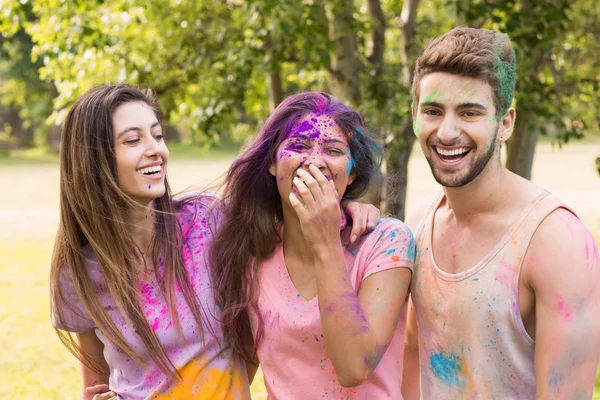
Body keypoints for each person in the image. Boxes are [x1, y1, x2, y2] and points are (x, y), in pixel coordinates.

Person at [50, 84, 379, 400]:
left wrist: (342, 203)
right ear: (93, 160)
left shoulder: (207, 222)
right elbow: (96, 385)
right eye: (133, 140)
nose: (156, 150)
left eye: (158, 135)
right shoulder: (78, 271)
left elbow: (285, 227)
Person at [401, 27, 600, 399]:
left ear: (505, 123)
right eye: (432, 111)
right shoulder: (416, 225)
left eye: (469, 112)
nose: (446, 132)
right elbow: (412, 353)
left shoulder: (557, 241)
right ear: (414, 115)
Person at [210, 92, 416, 399]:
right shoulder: (251, 256)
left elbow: (353, 367)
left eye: (333, 150)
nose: (315, 160)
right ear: (271, 164)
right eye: (299, 146)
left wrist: (326, 242)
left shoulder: (387, 242)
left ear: (352, 171)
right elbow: (240, 374)